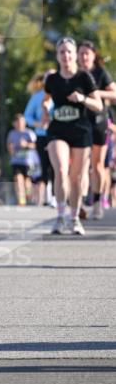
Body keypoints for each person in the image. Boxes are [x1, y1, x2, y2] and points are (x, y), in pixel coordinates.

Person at [43, 37, 102, 235]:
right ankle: (60, 217)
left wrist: (83, 98)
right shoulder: (51, 79)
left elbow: (99, 105)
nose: (65, 55)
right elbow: (47, 99)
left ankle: (75, 218)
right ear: (57, 56)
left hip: (80, 130)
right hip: (58, 129)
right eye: (61, 52)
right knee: (60, 169)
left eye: (69, 52)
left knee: (76, 178)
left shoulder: (84, 77)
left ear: (75, 54)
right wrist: (45, 109)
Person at [77, 40, 116, 220]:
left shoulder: (101, 73)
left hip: (99, 121)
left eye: (87, 53)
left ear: (94, 55)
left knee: (98, 164)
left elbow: (114, 94)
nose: (84, 56)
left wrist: (96, 93)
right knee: (81, 165)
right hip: (79, 122)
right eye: (81, 53)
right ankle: (82, 202)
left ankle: (98, 202)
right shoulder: (74, 73)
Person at [24, 72, 55, 206]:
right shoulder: (37, 97)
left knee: (57, 165)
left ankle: (56, 196)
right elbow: (27, 116)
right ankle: (47, 197)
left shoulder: (61, 94)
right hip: (42, 135)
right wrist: (39, 124)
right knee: (45, 165)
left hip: (59, 134)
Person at [6, 114, 37, 206]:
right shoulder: (12, 133)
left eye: (21, 122)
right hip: (16, 161)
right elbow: (9, 145)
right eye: (17, 122)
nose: (19, 124)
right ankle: (21, 199)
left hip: (27, 161)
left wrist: (26, 145)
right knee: (18, 179)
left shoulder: (29, 133)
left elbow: (34, 146)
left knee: (27, 181)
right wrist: (11, 149)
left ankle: (29, 195)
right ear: (14, 123)